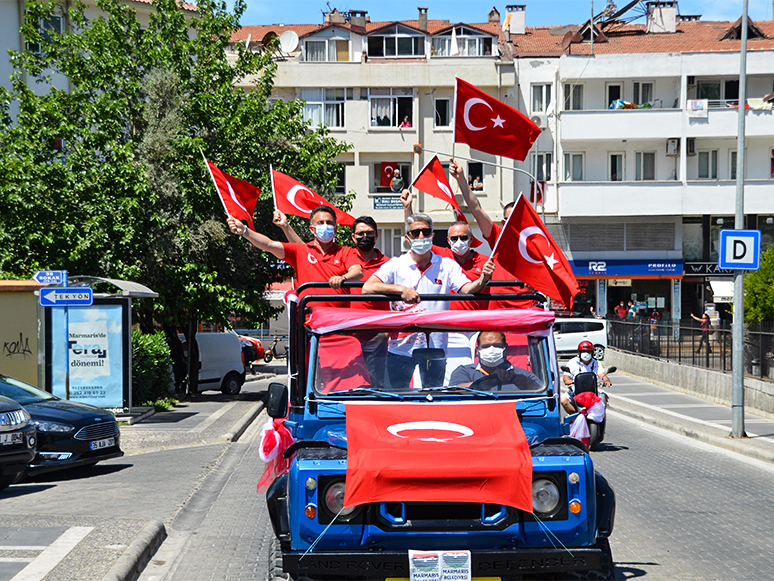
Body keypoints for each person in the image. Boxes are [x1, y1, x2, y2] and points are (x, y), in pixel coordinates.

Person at [362, 212, 494, 389]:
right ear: (407, 238)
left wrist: (483, 279)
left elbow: (468, 289)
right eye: (416, 233)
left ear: (432, 235)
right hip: (400, 348)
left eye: (425, 232)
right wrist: (401, 290)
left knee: (433, 397)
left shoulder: (447, 265)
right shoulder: (396, 264)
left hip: (436, 347)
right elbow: (368, 287)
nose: (421, 236)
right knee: (396, 399)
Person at [227, 206, 362, 308]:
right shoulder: (300, 250)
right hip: (309, 321)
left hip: (340, 322)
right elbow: (269, 244)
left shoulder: (346, 252)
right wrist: (245, 231)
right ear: (312, 229)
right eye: (320, 223)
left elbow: (357, 272)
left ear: (336, 228)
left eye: (329, 223)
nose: (325, 226)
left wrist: (343, 278)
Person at [449, 159, 533, 309]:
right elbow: (476, 209)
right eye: (509, 220)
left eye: (518, 220)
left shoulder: (537, 246)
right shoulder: (499, 238)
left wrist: (537, 285)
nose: (514, 224)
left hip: (525, 311)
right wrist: (461, 179)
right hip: (497, 315)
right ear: (503, 222)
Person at [400, 189, 490, 311]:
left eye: (463, 237)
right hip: (445, 324)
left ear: (470, 239)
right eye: (454, 238)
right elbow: (416, 238)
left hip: (475, 324)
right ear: (448, 240)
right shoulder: (442, 257)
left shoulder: (486, 262)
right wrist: (407, 207)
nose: (459, 241)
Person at [449, 331, 542, 391]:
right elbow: (455, 391)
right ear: (477, 351)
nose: (492, 350)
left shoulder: (523, 375)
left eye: (497, 346)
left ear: (506, 349)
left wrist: (518, 380)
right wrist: (490, 381)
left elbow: (541, 391)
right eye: (486, 346)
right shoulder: (464, 371)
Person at [561, 340, 612, 414]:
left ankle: (601, 417)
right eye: (584, 351)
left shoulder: (596, 363)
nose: (586, 354)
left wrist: (606, 380)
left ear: (592, 353)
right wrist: (568, 381)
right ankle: (576, 416)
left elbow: (602, 374)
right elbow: (566, 376)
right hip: (576, 390)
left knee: (604, 397)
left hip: (593, 390)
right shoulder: (572, 362)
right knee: (563, 401)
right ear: (579, 352)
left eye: (588, 352)